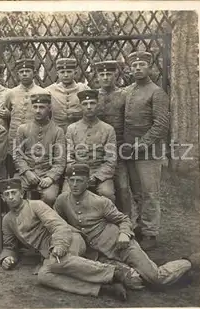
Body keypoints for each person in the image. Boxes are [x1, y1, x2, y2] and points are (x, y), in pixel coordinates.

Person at [54, 164, 198, 289]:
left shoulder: (100, 202)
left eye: (79, 181)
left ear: (87, 182)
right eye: (71, 181)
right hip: (100, 254)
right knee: (133, 281)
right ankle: (174, 275)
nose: (74, 185)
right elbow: (56, 223)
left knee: (156, 279)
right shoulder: (62, 201)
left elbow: (124, 220)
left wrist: (124, 234)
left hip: (121, 245)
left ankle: (190, 262)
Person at [0, 178, 140, 301]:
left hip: (70, 239)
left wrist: (59, 245)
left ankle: (114, 272)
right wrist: (6, 258)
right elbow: (9, 246)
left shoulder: (36, 205)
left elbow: (59, 226)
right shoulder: (7, 220)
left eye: (14, 193)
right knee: (43, 276)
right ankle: (103, 288)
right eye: (7, 194)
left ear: (21, 193)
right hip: (51, 254)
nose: (11, 197)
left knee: (56, 264)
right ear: (2, 198)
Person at [122, 51, 171, 250]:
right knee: (137, 192)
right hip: (129, 151)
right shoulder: (128, 91)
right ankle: (141, 226)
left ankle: (151, 233)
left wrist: (142, 144)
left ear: (150, 67)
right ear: (130, 68)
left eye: (142, 64)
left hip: (149, 152)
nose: (138, 68)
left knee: (151, 192)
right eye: (134, 65)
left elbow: (161, 124)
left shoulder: (157, 92)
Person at [94, 60, 133, 219]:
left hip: (119, 148)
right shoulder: (93, 96)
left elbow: (130, 120)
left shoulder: (124, 95)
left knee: (123, 188)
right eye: (102, 74)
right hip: (98, 150)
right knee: (102, 189)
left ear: (115, 75)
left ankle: (127, 221)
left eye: (108, 74)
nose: (105, 77)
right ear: (97, 76)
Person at [63, 89, 117, 203]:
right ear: (80, 106)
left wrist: (97, 176)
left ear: (97, 105)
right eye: (85, 104)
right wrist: (79, 175)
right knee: (66, 195)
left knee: (107, 193)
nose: (89, 107)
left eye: (92, 103)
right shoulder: (72, 129)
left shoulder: (108, 129)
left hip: (99, 173)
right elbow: (69, 157)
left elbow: (110, 160)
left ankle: (105, 219)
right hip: (76, 173)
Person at [13, 93, 65, 206]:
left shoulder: (57, 131)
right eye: (35, 107)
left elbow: (60, 161)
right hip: (25, 174)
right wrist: (27, 172)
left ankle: (44, 222)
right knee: (13, 195)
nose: (37, 110)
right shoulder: (22, 129)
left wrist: (50, 178)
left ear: (49, 108)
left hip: (47, 173)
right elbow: (17, 155)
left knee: (49, 197)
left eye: (42, 107)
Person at [0, 59, 46, 177]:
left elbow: (47, 117)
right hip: (14, 138)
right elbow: (5, 113)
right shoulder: (11, 93)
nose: (24, 74)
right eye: (21, 71)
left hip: (35, 138)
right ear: (18, 74)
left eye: (27, 71)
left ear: (34, 73)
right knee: (13, 169)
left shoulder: (42, 92)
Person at [43, 58, 90, 133]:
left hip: (79, 132)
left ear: (75, 73)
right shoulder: (49, 91)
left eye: (69, 72)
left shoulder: (83, 89)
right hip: (56, 132)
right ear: (57, 74)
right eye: (62, 72)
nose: (65, 75)